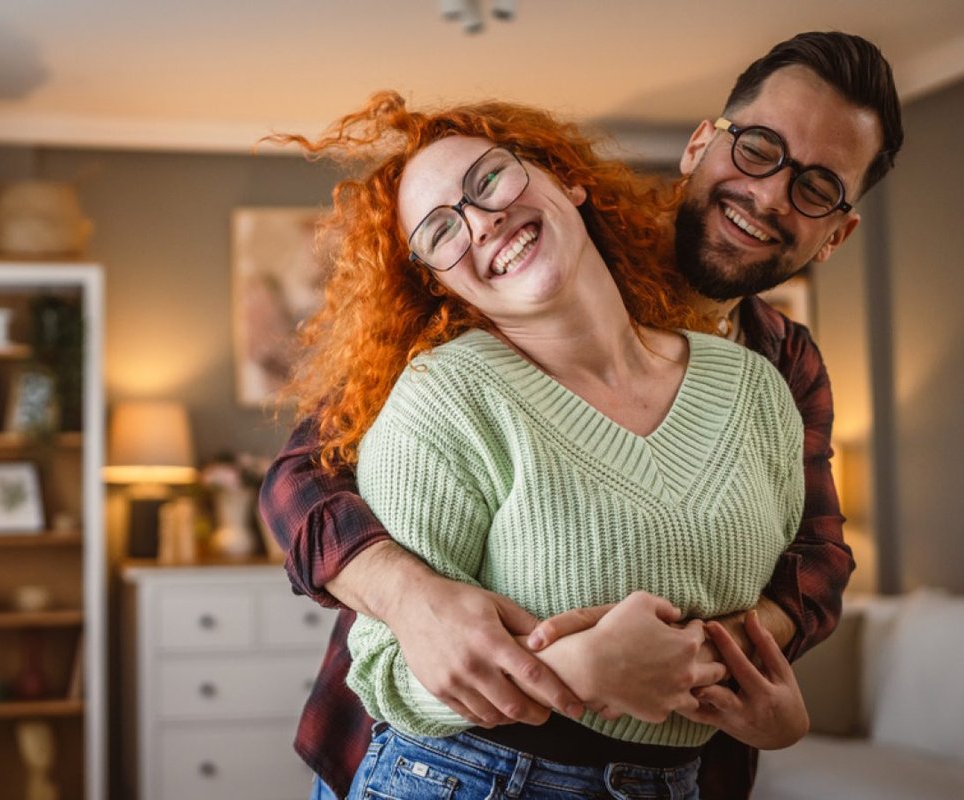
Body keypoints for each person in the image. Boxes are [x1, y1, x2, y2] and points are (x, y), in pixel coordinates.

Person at [261, 30, 903, 800]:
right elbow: (305, 475)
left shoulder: (776, 371)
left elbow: (818, 559)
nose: (769, 195)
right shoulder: (522, 278)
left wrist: (704, 662)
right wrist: (414, 600)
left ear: (837, 232)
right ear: (704, 143)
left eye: (817, 188)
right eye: (760, 148)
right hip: (447, 755)